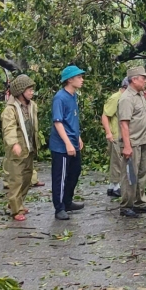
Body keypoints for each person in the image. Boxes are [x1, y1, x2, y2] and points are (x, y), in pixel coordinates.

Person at [117, 66, 146, 217]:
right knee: (130, 175)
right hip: (132, 143)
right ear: (134, 80)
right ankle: (126, 205)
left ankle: (140, 202)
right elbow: (124, 123)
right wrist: (127, 146)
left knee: (142, 173)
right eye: (143, 78)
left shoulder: (139, 95)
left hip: (143, 140)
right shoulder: (126, 98)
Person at [1, 75, 40, 221]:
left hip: (28, 148)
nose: (32, 92)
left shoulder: (32, 106)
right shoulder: (10, 110)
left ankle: (17, 203)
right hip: (17, 149)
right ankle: (15, 210)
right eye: (29, 90)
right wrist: (14, 144)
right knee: (16, 180)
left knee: (27, 177)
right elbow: (9, 128)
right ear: (20, 92)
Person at [50, 65, 86, 221]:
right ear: (70, 80)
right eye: (79, 77)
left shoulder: (73, 96)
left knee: (75, 171)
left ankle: (68, 201)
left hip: (73, 140)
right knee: (61, 176)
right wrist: (67, 143)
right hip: (61, 146)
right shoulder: (60, 97)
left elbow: (72, 119)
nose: (82, 79)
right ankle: (59, 208)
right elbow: (58, 122)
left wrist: (77, 138)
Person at [101, 78, 129, 198]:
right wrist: (108, 132)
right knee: (117, 161)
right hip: (116, 134)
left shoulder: (126, 98)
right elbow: (105, 116)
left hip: (122, 134)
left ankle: (112, 186)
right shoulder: (116, 97)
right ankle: (116, 185)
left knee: (118, 160)